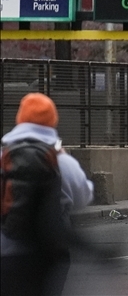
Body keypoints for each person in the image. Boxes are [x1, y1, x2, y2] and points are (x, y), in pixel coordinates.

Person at [1, 93, 94, 296]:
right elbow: (84, 196)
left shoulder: (4, 156)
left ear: (19, 119)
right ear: (53, 121)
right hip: (51, 252)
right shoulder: (59, 159)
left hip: (6, 249)